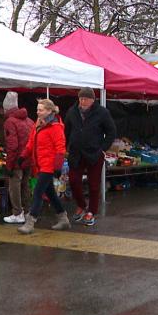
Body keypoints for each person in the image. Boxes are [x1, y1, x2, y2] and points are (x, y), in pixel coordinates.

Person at [63, 87, 116, 226]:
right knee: (73, 181)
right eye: (80, 98)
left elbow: (111, 131)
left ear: (93, 100)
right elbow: (66, 131)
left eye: (85, 99)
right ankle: (81, 205)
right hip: (76, 153)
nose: (82, 101)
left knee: (93, 185)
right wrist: (66, 147)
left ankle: (91, 211)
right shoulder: (72, 111)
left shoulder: (102, 112)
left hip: (94, 153)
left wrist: (103, 149)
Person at [17, 99, 69, 234]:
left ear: (49, 111)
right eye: (37, 109)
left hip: (48, 166)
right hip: (39, 165)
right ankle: (63, 219)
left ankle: (30, 222)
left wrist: (57, 166)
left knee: (38, 193)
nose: (37, 112)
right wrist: (22, 156)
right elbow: (31, 143)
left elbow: (60, 148)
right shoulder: (38, 124)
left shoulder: (56, 127)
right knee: (50, 193)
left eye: (40, 110)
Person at [1, 92, 34, 225]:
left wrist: (9, 165)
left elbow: (12, 146)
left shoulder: (9, 122)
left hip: (17, 160)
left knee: (14, 186)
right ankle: (27, 212)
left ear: (5, 109)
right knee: (25, 185)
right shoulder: (29, 121)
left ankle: (17, 213)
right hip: (28, 159)